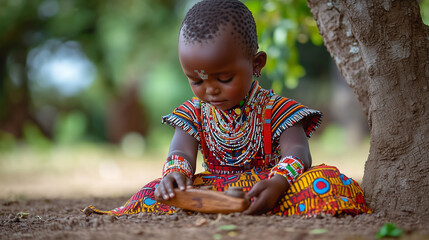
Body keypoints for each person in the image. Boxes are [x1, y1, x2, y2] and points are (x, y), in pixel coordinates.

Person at [85, 0, 371, 216]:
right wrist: (176, 175)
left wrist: (279, 182)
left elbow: (298, 153)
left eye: (224, 78)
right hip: (213, 189)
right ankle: (208, 204)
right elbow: (181, 152)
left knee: (326, 182)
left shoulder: (279, 109)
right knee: (153, 191)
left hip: (270, 186)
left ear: (256, 64)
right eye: (196, 80)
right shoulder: (193, 113)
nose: (210, 89)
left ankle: (258, 202)